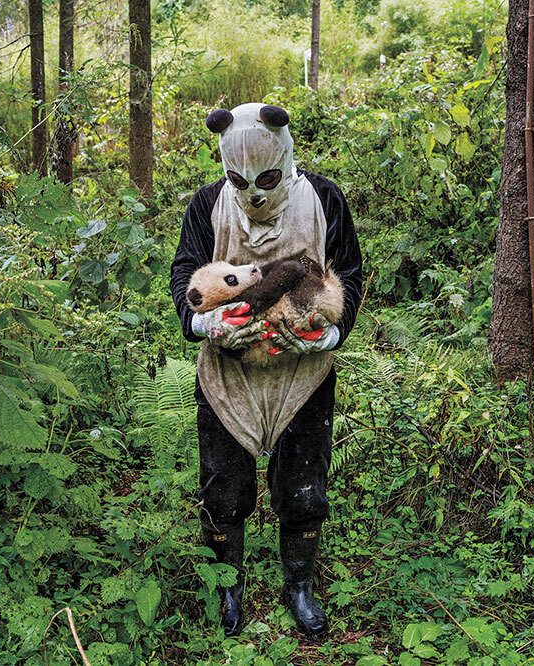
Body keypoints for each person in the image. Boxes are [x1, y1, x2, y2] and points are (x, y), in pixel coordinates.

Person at [169, 102, 363, 637]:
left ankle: (298, 584)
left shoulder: (323, 199)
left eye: (267, 179)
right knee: (222, 489)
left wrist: (331, 334)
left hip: (304, 377)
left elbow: (349, 271)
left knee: (304, 489)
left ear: (285, 155)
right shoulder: (208, 204)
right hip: (227, 376)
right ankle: (229, 586)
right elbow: (185, 273)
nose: (253, 193)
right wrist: (204, 325)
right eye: (239, 179)